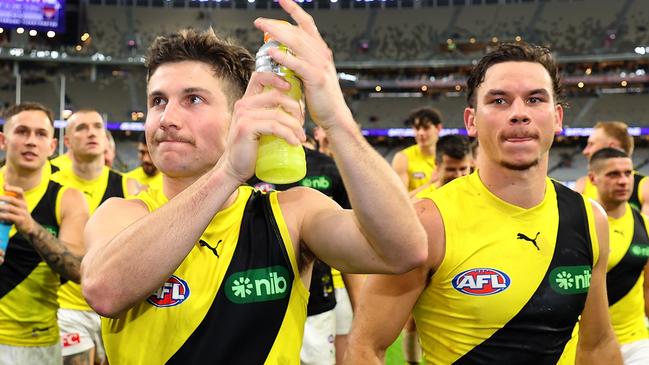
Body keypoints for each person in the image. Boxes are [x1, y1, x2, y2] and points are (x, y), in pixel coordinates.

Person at [80, 2, 427, 364]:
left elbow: (405, 250)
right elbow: (104, 291)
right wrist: (228, 171)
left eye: (193, 99)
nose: (167, 118)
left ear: (240, 115)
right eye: (158, 101)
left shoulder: (294, 213)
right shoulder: (120, 214)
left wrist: (336, 119)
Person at [345, 42, 622, 365]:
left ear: (557, 117)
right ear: (471, 120)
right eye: (499, 100)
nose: (519, 113)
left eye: (535, 99)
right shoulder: (427, 223)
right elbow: (364, 348)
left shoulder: (589, 219)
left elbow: (598, 345)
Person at [0, 103, 88, 365]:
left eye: (40, 134)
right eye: (22, 131)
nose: (31, 141)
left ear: (52, 146)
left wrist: (30, 227)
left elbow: (78, 269)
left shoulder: (67, 199)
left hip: (36, 342)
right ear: (3, 140)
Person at [249, 143, 352, 365]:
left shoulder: (326, 165)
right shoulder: (243, 163)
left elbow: (352, 238)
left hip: (317, 300)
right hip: (255, 300)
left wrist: (361, 309)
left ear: (302, 113)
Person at [52, 109, 138, 365]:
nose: (91, 132)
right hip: (66, 307)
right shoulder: (51, 181)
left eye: (97, 127)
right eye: (81, 128)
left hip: (117, 308)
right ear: (67, 141)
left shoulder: (127, 187)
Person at [586, 147, 649, 364]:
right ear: (593, 178)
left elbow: (648, 288)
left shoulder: (645, 226)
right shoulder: (576, 222)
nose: (623, 181)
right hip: (587, 344)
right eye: (613, 174)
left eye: (628, 173)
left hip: (636, 341)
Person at [575, 121, 649, 214]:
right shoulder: (582, 184)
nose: (585, 151)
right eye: (613, 174)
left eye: (591, 144)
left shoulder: (644, 187)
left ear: (611, 148)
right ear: (593, 178)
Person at [391, 107, 443, 191]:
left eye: (426, 128)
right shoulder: (403, 158)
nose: (421, 133)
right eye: (417, 128)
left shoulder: (448, 156)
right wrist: (430, 184)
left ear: (438, 128)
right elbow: (400, 200)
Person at [411, 134, 473, 198]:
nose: (458, 175)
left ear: (471, 163)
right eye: (451, 169)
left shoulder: (479, 195)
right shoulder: (424, 200)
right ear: (437, 165)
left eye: (463, 169)